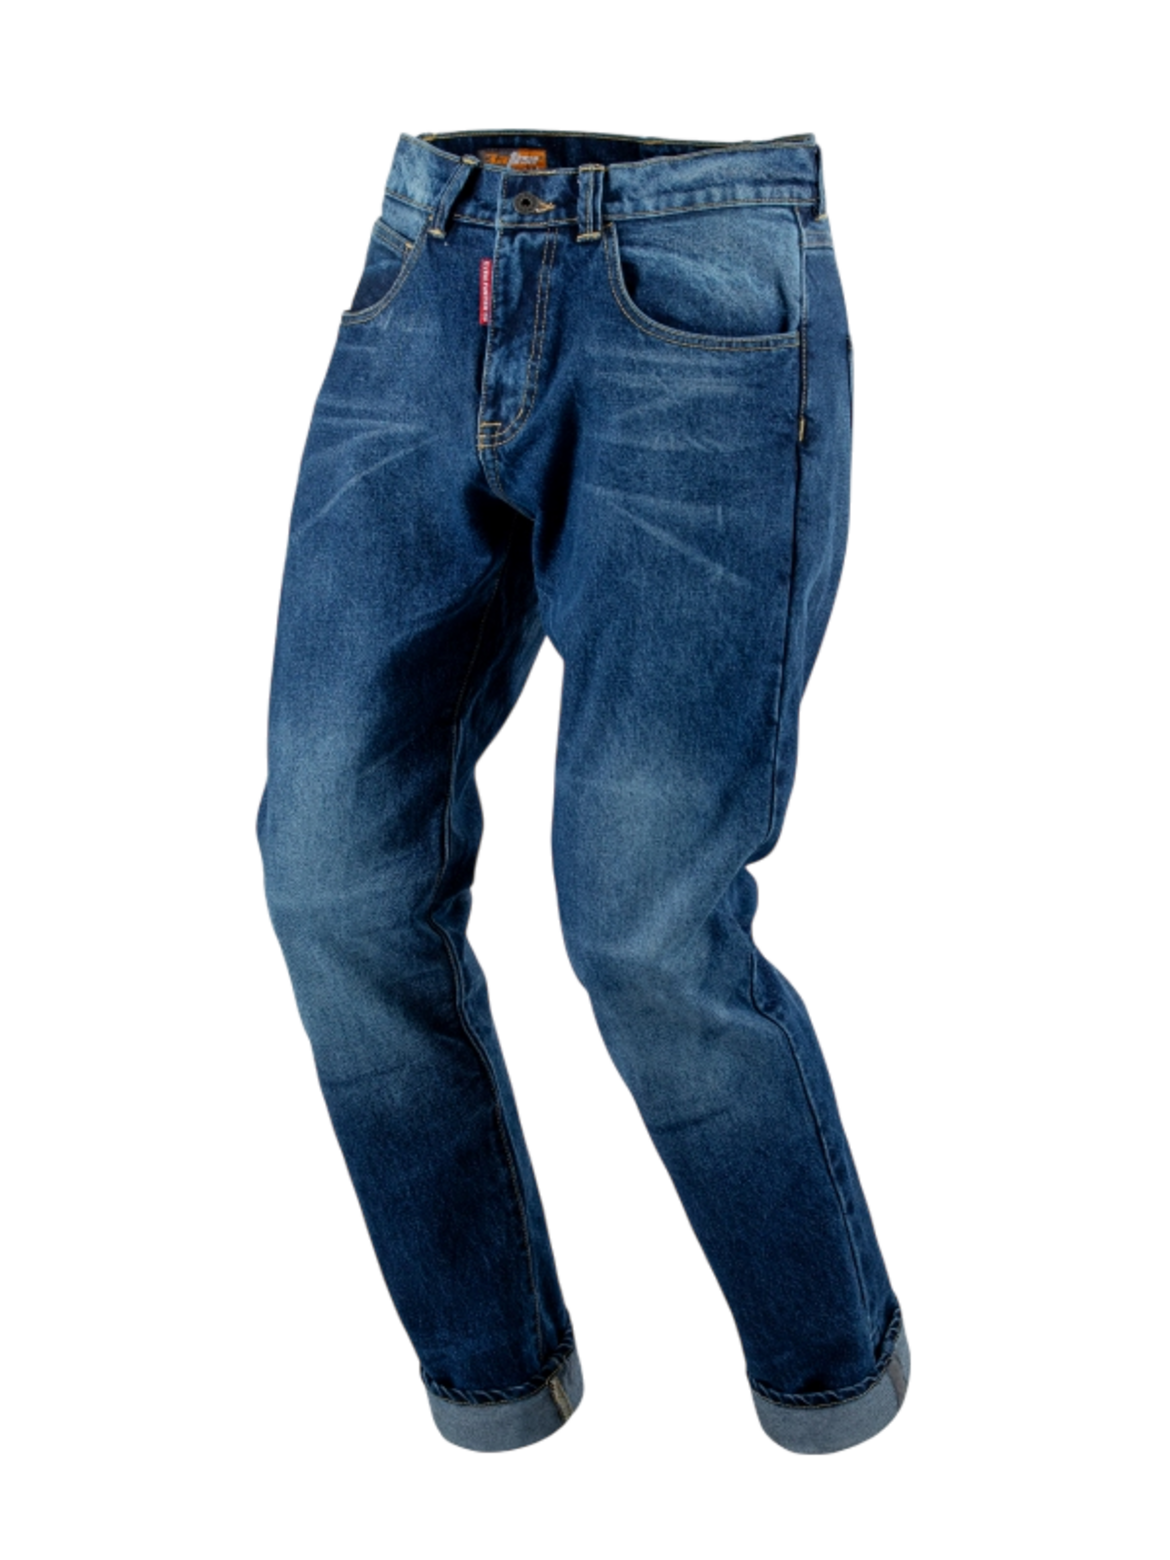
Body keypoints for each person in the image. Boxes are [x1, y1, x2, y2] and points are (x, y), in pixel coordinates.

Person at [255, 128, 910, 1454]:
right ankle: (494, 1377)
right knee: (329, 886)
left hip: (707, 264)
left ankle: (831, 1382)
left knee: (643, 933)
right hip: (430, 247)